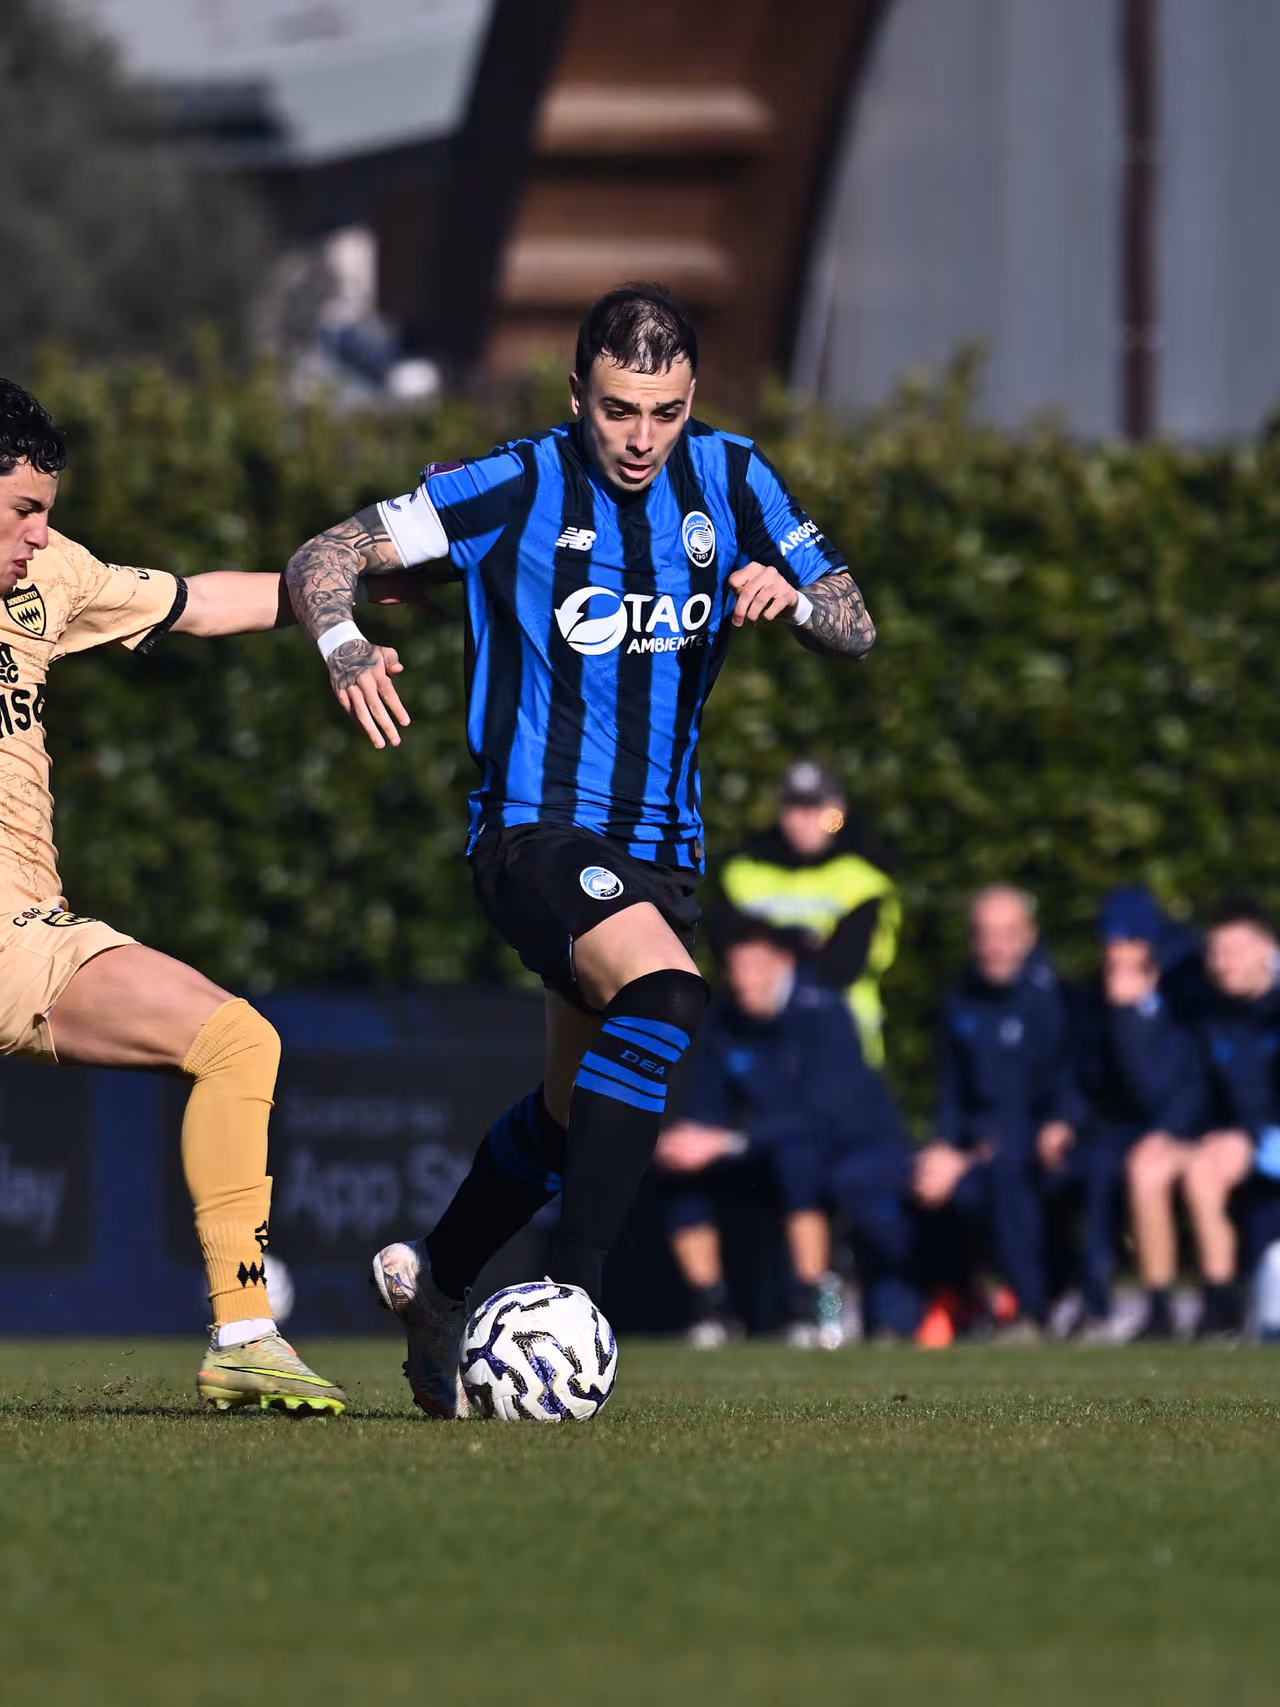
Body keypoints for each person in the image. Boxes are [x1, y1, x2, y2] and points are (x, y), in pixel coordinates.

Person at [285, 282, 876, 1416]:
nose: (641, 438)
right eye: (617, 410)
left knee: (570, 1117)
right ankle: (574, 1296)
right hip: (534, 834)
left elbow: (854, 619)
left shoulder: (734, 477)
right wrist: (344, 642)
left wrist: (793, 601)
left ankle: (442, 1279)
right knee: (666, 993)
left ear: (691, 399)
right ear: (575, 396)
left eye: (664, 412)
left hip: (662, 856)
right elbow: (329, 551)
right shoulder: (516, 482)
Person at [0, 381, 412, 1411]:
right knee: (238, 1042)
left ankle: (244, 1335)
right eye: (22, 510)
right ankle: (244, 1332)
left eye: (45, 511)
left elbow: (199, 603)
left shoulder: (51, 576)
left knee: (235, 1041)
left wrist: (334, 602)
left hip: (26, 927)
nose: (38, 533)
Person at [654, 908, 918, 1347]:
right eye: (737, 968)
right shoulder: (724, 1021)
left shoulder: (826, 1012)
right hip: (760, 1149)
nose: (745, 980)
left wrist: (727, 1141)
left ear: (784, 963)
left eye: (756, 967)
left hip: (843, 1150)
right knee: (679, 1173)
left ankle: (809, 1304)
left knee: (797, 1160)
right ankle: (712, 1308)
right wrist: (688, 1140)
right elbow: (706, 1104)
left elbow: (820, 1116)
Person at [913, 885, 1077, 1338]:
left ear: (1029, 936)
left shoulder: (1053, 1000)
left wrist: (971, 1154)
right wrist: (942, 1147)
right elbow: (951, 1091)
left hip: (1034, 1145)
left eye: (1006, 934)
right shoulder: (958, 1001)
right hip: (977, 1145)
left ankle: (1028, 1307)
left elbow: (1063, 1090)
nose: (995, 947)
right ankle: (931, 1305)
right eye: (984, 935)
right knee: (905, 1180)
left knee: (1005, 1176)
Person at [1127, 896, 1280, 1341]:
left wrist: (1252, 1136)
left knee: (1202, 1173)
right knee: (1145, 1165)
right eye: (1216, 951)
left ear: (1267, 950)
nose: (1223, 962)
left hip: (1265, 1138)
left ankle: (1220, 1306)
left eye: (1235, 951)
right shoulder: (1210, 1012)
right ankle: (1159, 1309)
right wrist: (1166, 1133)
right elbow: (1193, 1086)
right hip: (1222, 1136)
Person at [1061, 887, 1202, 1338]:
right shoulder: (1095, 999)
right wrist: (1063, 1120)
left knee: (1143, 1170)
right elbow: (1082, 1075)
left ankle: (1167, 1303)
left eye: (1126, 940)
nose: (1115, 951)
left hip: (1175, 1127)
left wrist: (1130, 1018)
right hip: (1116, 1129)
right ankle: (1092, 1300)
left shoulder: (1181, 993)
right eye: (1110, 940)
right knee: (1092, 1171)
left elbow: (1168, 1088)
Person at [719, 759, 900, 1066]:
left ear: (839, 811)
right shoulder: (744, 873)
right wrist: (804, 942)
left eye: (816, 808)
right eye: (795, 808)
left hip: (843, 1048)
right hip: (756, 1047)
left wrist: (771, 943)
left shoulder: (864, 881)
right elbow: (723, 946)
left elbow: (843, 965)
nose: (805, 820)